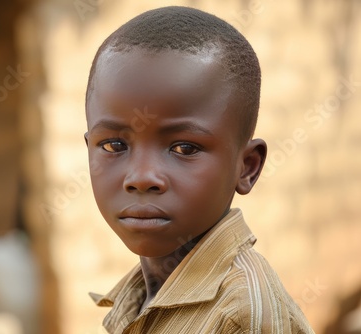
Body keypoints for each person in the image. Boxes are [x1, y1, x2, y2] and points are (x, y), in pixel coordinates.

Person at [83, 6, 315, 334]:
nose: (140, 177)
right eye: (114, 146)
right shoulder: (145, 295)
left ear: (247, 167)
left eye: (184, 148)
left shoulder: (242, 315)